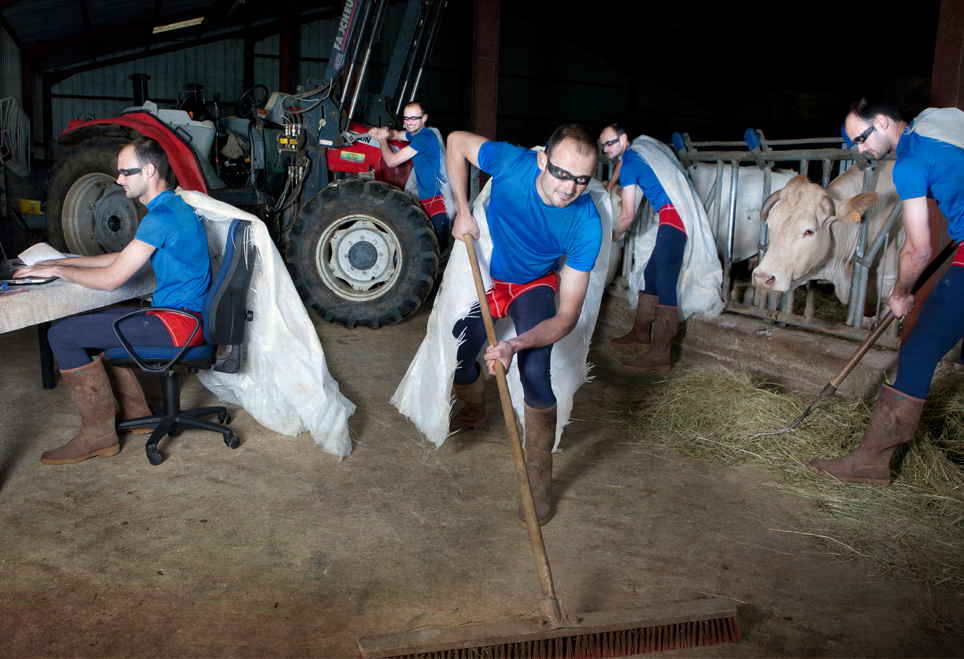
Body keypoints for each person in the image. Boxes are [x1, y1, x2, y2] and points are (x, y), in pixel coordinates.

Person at [445, 124, 602, 526]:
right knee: (464, 343)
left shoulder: (587, 224)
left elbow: (566, 315)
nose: (569, 189)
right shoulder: (512, 165)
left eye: (582, 180)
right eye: (561, 174)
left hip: (533, 284)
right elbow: (457, 142)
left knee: (535, 369)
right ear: (542, 160)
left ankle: (538, 478)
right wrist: (462, 210)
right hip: (490, 266)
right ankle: (474, 407)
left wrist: (516, 345)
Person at [18, 138, 211, 465]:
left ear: (148, 171)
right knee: (96, 327)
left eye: (125, 172)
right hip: (186, 320)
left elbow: (110, 280)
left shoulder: (159, 218)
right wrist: (60, 263)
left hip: (176, 326)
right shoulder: (174, 207)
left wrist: (60, 272)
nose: (118, 179)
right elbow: (124, 257)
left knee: (62, 334)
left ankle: (98, 436)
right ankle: (137, 414)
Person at [810, 98, 964, 485]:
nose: (860, 150)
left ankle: (870, 462)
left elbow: (919, 249)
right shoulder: (938, 121)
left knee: (918, 352)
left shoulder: (909, 164)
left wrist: (900, 292)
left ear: (881, 122)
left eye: (860, 139)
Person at [601, 123, 687, 372]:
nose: (606, 149)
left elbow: (627, 216)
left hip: (673, 222)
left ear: (623, 139)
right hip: (672, 218)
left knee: (665, 284)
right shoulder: (637, 151)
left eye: (610, 143)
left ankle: (660, 355)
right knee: (651, 276)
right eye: (603, 144)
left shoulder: (631, 164)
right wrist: (609, 185)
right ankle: (640, 335)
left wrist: (612, 235)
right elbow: (621, 166)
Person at [369, 101, 453, 251]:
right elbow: (395, 134)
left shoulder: (423, 138)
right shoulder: (418, 133)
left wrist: (381, 140)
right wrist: (381, 132)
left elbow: (392, 161)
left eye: (414, 118)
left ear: (424, 118)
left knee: (437, 250)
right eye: (406, 118)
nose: (409, 122)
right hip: (428, 200)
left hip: (439, 203)